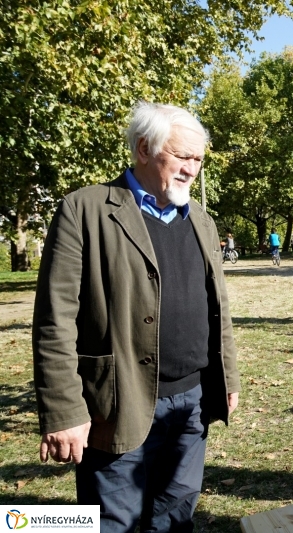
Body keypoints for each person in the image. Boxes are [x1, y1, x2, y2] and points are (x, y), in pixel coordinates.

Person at [32, 102, 240, 532]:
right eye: (182, 156)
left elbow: (217, 309)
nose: (191, 169)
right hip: (118, 402)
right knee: (115, 520)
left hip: (192, 402)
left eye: (198, 159)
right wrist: (64, 411)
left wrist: (228, 379)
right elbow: (55, 321)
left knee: (175, 513)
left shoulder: (201, 219)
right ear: (144, 149)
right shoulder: (84, 210)